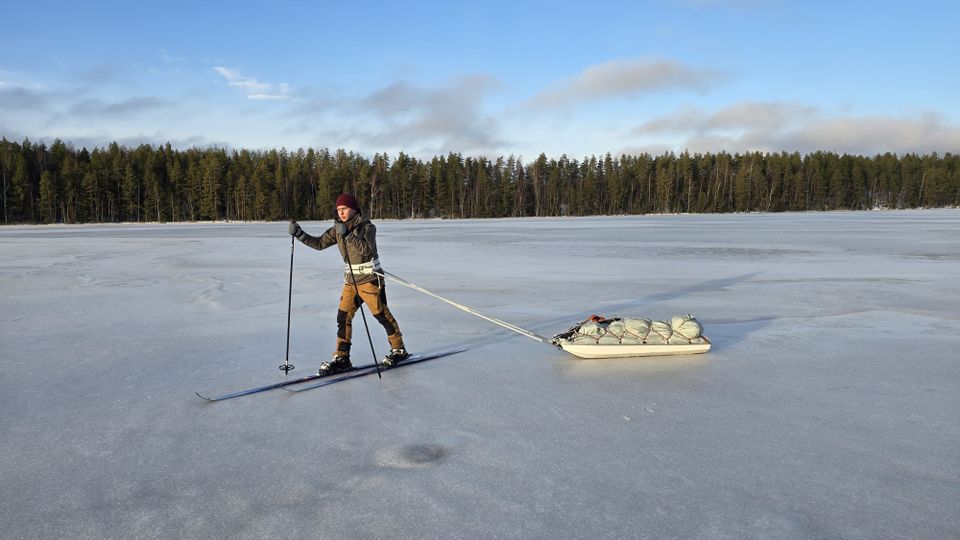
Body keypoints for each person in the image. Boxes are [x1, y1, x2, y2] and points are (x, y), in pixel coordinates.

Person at [288, 193, 409, 374]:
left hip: (370, 281)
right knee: (343, 318)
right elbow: (320, 243)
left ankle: (398, 349)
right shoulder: (337, 229)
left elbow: (367, 250)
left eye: (344, 209)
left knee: (381, 315)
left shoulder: (367, 227)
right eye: (338, 210)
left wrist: (348, 235)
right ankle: (342, 357)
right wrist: (299, 234)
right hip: (351, 282)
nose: (341, 212)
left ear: (353, 209)